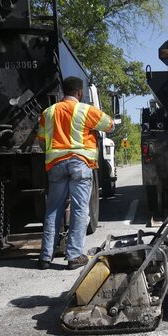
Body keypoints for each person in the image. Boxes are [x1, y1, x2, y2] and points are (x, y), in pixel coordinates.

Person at [37, 76, 114, 270]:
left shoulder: (48, 112)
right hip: (80, 163)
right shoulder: (85, 110)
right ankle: (73, 256)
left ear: (64, 91)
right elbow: (110, 125)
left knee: (53, 210)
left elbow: (41, 140)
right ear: (80, 92)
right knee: (80, 209)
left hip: (56, 164)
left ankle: (45, 257)